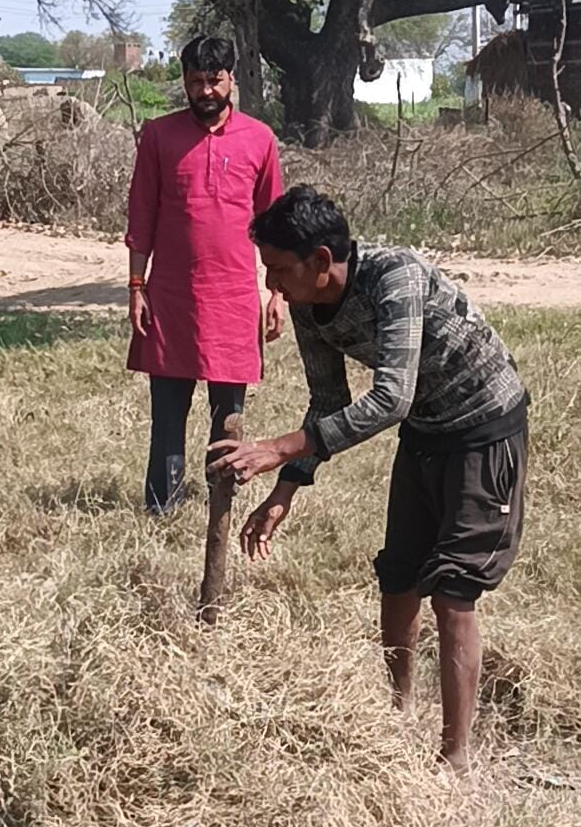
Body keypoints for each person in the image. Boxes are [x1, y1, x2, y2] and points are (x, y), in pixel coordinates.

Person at [209, 185, 528, 776]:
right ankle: (395, 716)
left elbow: (389, 398)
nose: (271, 285)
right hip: (425, 430)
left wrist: (278, 449)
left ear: (321, 260)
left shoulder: (393, 276)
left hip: (482, 427)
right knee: (399, 575)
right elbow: (328, 400)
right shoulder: (306, 303)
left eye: (279, 270)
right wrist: (286, 490)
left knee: (453, 590)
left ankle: (455, 758)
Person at [125, 35, 284, 513]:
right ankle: (162, 507)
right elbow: (141, 216)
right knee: (168, 413)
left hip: (234, 299)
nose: (206, 91)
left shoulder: (260, 138)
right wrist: (137, 287)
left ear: (232, 79)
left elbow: (275, 223)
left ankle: (221, 502)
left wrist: (277, 295)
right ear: (184, 82)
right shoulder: (159, 136)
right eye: (196, 81)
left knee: (228, 415)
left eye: (214, 80)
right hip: (171, 297)